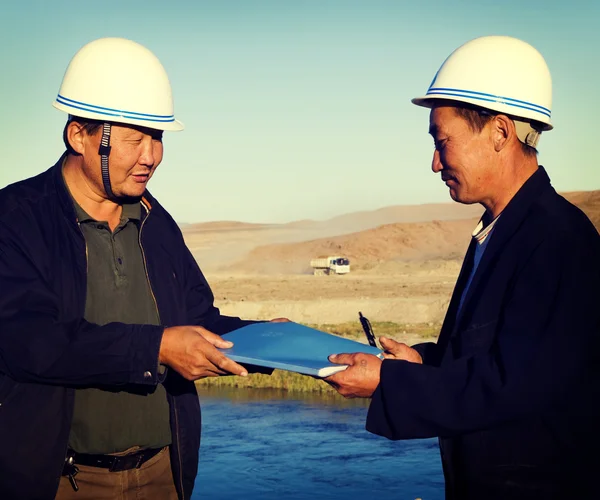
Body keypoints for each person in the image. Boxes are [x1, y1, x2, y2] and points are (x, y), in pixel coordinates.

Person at [0, 37, 281, 500]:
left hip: (162, 473)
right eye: (135, 138)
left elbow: (197, 321)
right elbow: (31, 342)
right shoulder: (16, 218)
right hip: (61, 480)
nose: (150, 156)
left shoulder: (157, 222)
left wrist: (267, 342)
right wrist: (158, 348)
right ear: (78, 136)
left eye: (158, 138)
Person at [325, 36, 600, 499]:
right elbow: (498, 357)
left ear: (499, 132)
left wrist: (390, 382)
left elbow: (514, 387)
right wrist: (423, 362)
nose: (435, 163)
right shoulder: (500, 231)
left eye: (443, 142)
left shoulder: (557, 240)